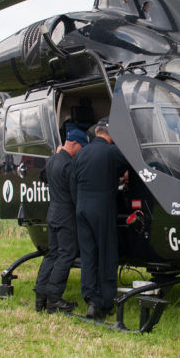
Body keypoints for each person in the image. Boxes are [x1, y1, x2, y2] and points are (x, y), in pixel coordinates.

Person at [71, 118, 128, 319]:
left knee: (88, 255)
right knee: (106, 254)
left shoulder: (81, 154)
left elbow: (73, 183)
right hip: (102, 209)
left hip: (82, 209)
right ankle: (104, 302)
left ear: (96, 134)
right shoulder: (112, 152)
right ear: (109, 136)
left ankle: (90, 298)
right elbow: (128, 170)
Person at [34, 128, 88, 314]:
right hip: (66, 216)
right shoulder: (69, 165)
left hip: (52, 213)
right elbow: (75, 195)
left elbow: (42, 177)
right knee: (66, 254)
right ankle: (54, 299)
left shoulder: (52, 161)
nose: (81, 152)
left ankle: (40, 296)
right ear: (73, 144)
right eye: (81, 147)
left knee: (52, 253)